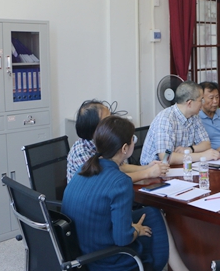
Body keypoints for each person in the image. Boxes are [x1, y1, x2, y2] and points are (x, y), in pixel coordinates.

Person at [62, 116, 171, 271]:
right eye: (133, 139)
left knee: (151, 213)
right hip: (106, 261)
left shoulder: (85, 168)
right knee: (154, 230)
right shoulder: (120, 182)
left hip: (80, 250)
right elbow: (123, 239)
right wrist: (136, 230)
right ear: (125, 148)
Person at [66, 100, 168, 183]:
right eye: (108, 119)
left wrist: (147, 167)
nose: (113, 121)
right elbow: (110, 180)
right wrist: (148, 173)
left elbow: (121, 167)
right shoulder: (81, 152)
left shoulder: (107, 141)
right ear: (96, 129)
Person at [140, 81, 220, 165]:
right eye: (201, 100)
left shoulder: (194, 116)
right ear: (189, 103)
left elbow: (206, 144)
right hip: (154, 169)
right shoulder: (166, 119)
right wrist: (202, 156)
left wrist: (190, 149)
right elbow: (166, 157)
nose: (202, 103)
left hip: (182, 166)